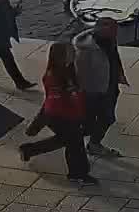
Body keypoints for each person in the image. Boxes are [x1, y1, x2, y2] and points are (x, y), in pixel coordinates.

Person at [18, 41, 94, 185]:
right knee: (75, 144)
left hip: (68, 114)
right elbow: (54, 101)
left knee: (65, 140)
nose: (74, 54)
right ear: (61, 56)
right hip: (61, 116)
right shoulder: (55, 76)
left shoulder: (68, 70)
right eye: (71, 52)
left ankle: (29, 150)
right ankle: (78, 174)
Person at [74, 17, 128, 156]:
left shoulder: (109, 40)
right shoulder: (87, 50)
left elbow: (114, 58)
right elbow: (81, 73)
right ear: (100, 29)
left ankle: (92, 143)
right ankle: (89, 144)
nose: (116, 32)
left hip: (109, 85)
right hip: (95, 90)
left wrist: (119, 74)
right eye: (112, 29)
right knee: (96, 120)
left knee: (106, 118)